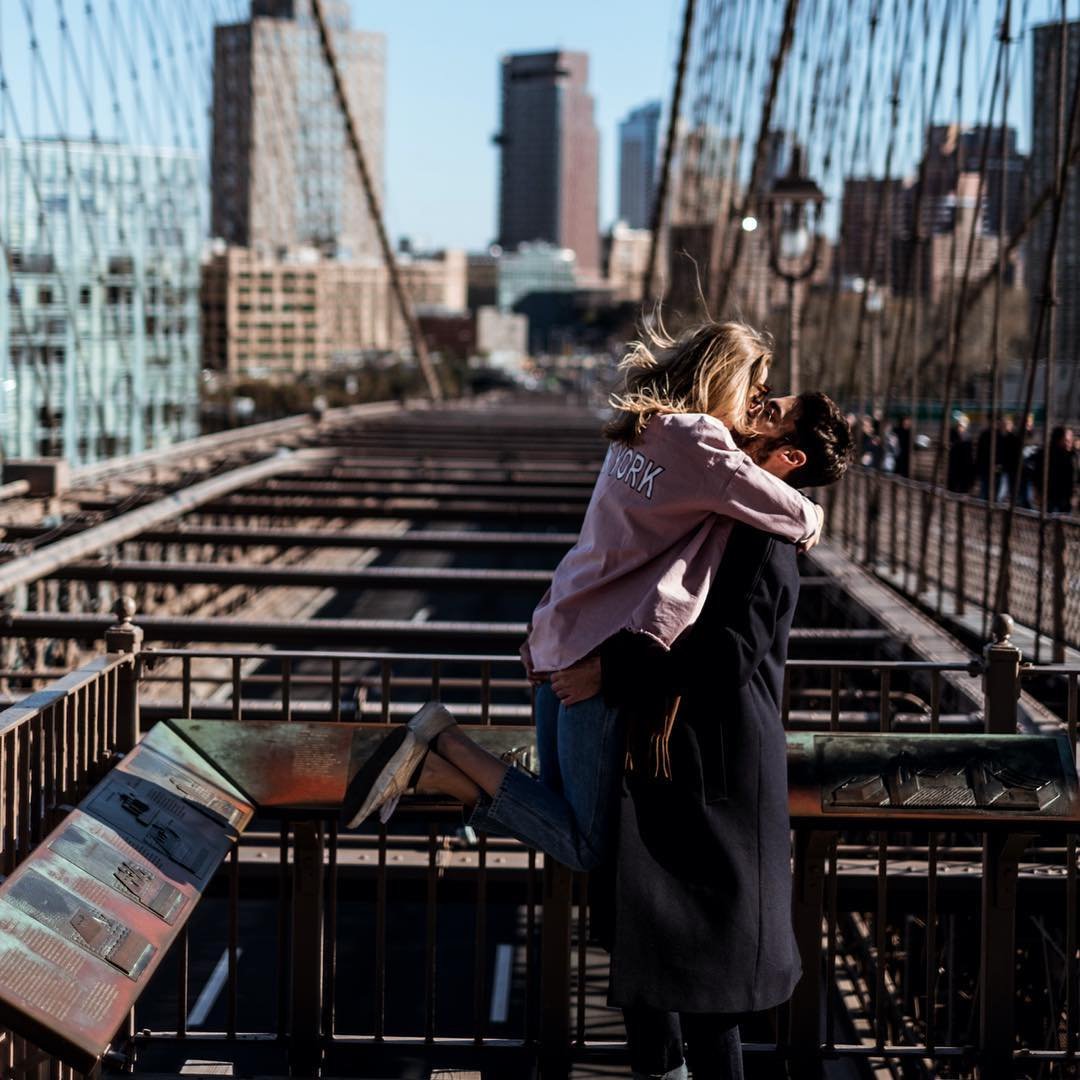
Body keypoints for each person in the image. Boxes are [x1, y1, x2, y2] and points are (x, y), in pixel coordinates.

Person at [341, 322, 845, 871]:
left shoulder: (644, 428)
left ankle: (435, 760)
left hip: (560, 630)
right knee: (589, 847)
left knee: (557, 813)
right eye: (758, 387)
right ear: (727, 377)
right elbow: (796, 514)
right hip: (596, 662)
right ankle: (443, 751)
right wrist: (816, 513)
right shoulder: (703, 446)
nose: (757, 400)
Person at [552, 417, 853, 1080]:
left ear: (788, 457)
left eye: (770, 416)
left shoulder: (764, 539)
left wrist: (608, 673)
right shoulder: (722, 515)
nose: (752, 418)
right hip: (667, 767)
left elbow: (726, 657)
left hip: (714, 786)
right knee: (654, 979)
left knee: (707, 995)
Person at [1029, 426, 1077, 514]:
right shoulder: (1046, 454)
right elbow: (1037, 474)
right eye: (1066, 440)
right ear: (1058, 439)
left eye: (1070, 440)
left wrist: (1073, 495)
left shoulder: (1071, 456)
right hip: (1049, 497)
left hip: (1065, 499)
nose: (1069, 443)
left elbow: (1073, 478)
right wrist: (1037, 492)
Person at [947, 413, 976, 494]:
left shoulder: (967, 438)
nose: (960, 428)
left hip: (964, 466)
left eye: (962, 426)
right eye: (959, 425)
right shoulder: (951, 435)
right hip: (954, 465)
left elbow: (969, 455)